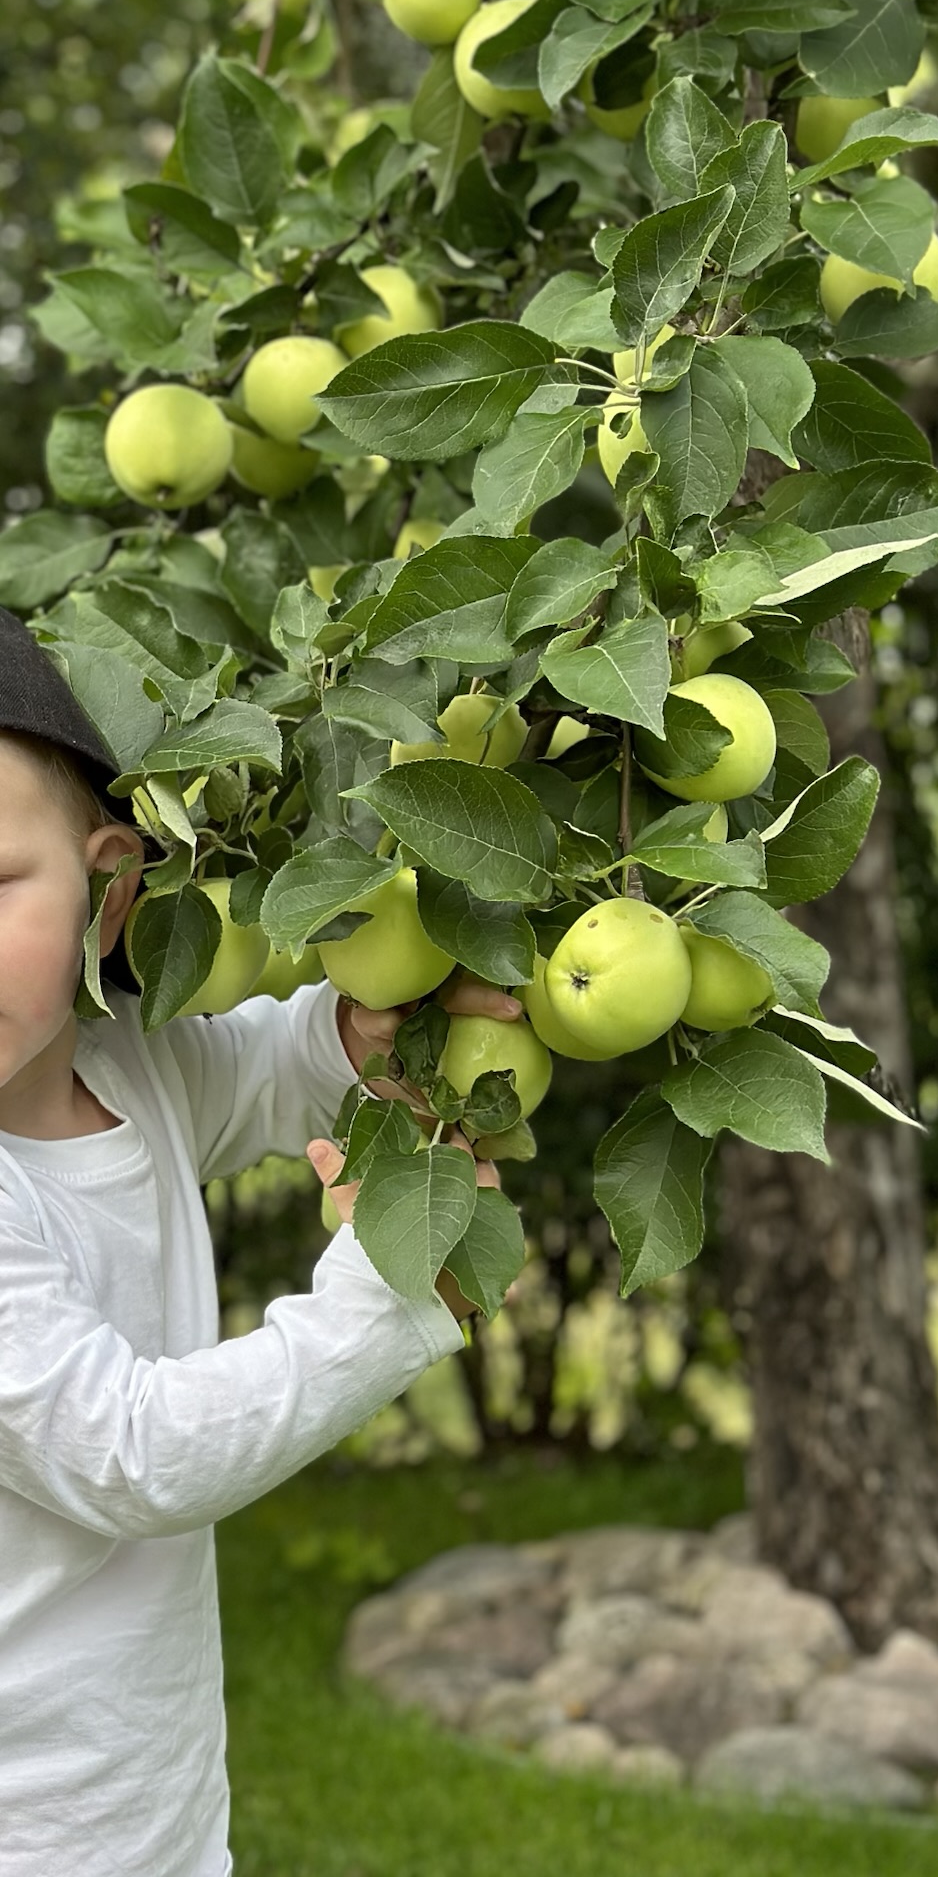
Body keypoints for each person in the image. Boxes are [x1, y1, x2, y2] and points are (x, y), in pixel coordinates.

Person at [0, 607, 523, 1876]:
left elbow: (247, 1069)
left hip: (150, 1803)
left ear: (112, 888)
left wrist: (353, 1036)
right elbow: (134, 1453)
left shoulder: (129, 1067)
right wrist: (379, 1298)